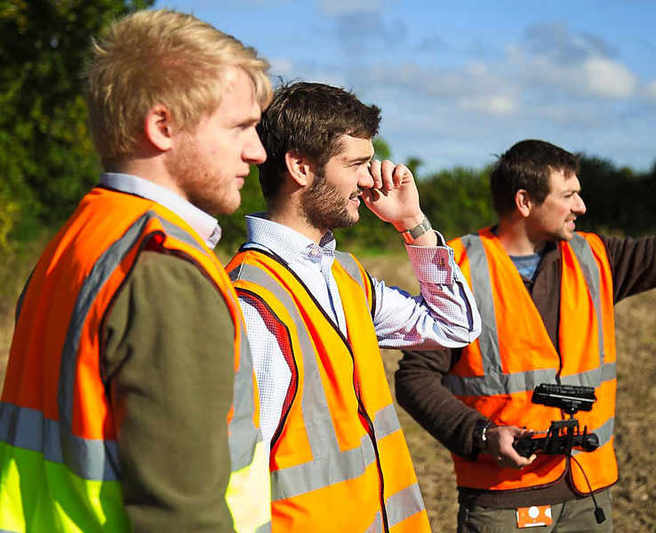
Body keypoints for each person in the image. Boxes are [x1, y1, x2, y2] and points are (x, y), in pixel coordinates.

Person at [395, 139, 656, 532]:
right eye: (568, 195)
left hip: (588, 493)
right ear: (525, 202)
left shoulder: (595, 258)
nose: (581, 207)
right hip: (502, 500)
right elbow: (415, 378)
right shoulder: (459, 270)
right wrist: (481, 435)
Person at [0, 10, 272, 532]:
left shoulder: (80, 238)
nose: (257, 151)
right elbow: (181, 516)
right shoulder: (162, 268)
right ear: (163, 126)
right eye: (239, 126)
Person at [225, 81, 481, 532]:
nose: (370, 179)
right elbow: (235, 482)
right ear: (301, 167)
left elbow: (453, 327)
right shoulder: (250, 303)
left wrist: (412, 224)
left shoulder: (346, 276)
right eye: (358, 164)